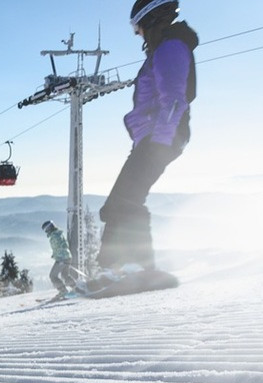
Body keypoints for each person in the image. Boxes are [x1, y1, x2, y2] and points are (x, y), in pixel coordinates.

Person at [98, 0, 197, 275]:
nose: (136, 33)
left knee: (127, 200)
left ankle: (135, 267)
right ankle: (111, 268)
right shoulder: (163, 49)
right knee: (117, 204)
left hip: (162, 137)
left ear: (152, 19)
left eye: (137, 26)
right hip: (153, 138)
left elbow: (175, 101)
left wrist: (159, 141)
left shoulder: (170, 48)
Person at [42, 221, 79, 298]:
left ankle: (63, 291)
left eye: (45, 230)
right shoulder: (58, 233)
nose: (46, 232)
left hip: (62, 258)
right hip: (67, 256)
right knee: (65, 275)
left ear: (49, 228)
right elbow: (63, 245)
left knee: (52, 275)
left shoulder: (55, 236)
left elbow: (61, 246)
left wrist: (61, 258)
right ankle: (76, 288)